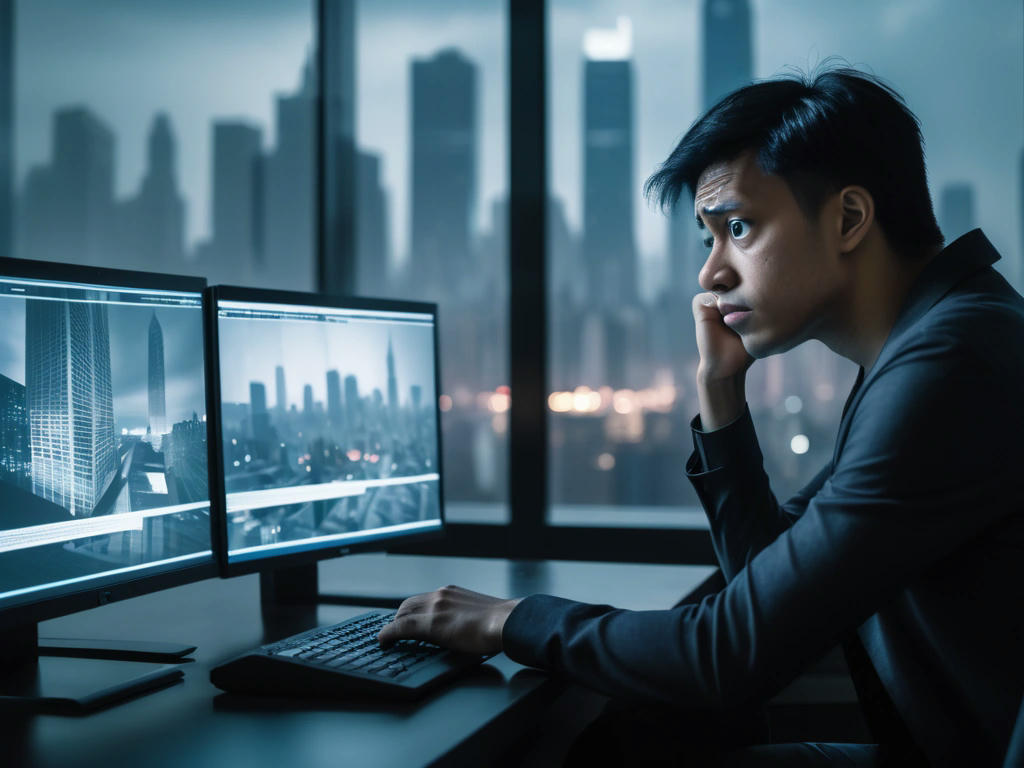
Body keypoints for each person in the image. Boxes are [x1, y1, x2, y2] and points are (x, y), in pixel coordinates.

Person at [378, 67, 1024, 766]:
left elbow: (732, 654)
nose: (710, 273)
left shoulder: (951, 365)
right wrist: (721, 392)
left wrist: (510, 620)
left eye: (738, 228)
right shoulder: (931, 347)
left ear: (848, 219)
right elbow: (768, 584)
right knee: (631, 739)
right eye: (706, 239)